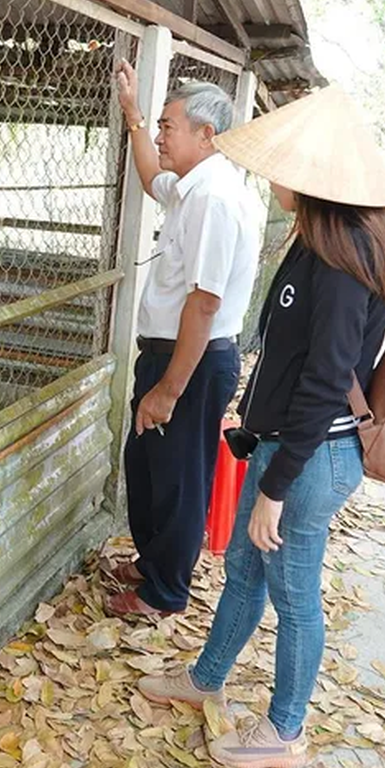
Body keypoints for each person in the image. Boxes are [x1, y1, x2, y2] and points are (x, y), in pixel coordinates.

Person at [135, 85, 385, 768]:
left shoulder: (342, 263)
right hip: (287, 446)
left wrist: (276, 484)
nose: (271, 178)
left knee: (294, 591)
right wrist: (255, 422)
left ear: (314, 176)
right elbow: (291, 356)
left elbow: (327, 382)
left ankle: (285, 731)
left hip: (312, 459)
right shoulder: (316, 242)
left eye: (282, 167)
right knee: (244, 568)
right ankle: (206, 678)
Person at [108, 62, 262, 618]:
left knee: (176, 478)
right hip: (175, 355)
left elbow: (205, 302)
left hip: (189, 361)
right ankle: (155, 566)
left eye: (168, 126)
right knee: (149, 465)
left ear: (206, 135)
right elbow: (152, 179)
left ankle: (164, 593)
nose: (160, 135)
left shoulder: (215, 200)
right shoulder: (194, 188)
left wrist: (170, 389)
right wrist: (133, 114)